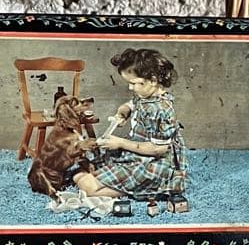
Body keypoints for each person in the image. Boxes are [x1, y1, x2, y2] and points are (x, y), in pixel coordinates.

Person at [72, 48, 188, 208]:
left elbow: (159, 149)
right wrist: (123, 112)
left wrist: (120, 143)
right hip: (138, 153)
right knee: (78, 176)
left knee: (85, 185)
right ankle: (125, 184)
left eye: (133, 83)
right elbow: (132, 104)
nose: (130, 88)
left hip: (154, 161)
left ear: (153, 80)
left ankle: (144, 190)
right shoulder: (145, 95)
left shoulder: (159, 109)